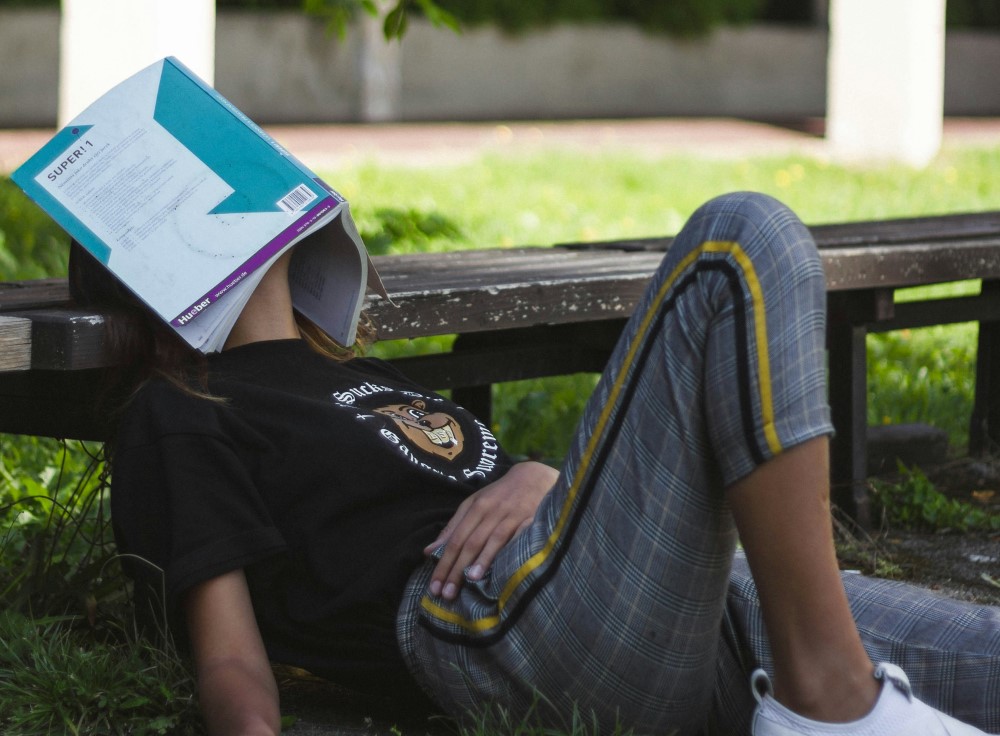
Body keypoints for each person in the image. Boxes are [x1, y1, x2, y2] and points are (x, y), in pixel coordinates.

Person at [70, 192, 999, 736]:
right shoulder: (183, 409)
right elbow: (231, 656)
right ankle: (827, 698)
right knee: (740, 240)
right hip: (501, 632)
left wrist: (540, 473)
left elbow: (507, 496)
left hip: (687, 607)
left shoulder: (352, 374)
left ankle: (812, 687)